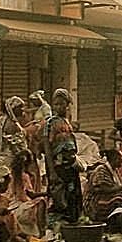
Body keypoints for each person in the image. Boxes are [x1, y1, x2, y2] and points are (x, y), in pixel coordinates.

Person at [43, 88, 82, 223]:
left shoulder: (67, 122)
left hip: (70, 165)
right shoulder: (50, 123)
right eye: (56, 104)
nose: (59, 107)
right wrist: (52, 171)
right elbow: (47, 148)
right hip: (58, 166)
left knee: (72, 194)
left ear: (67, 104)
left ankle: (73, 223)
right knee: (59, 197)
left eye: (61, 104)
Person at [83, 149, 122, 224]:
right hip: (94, 202)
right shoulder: (101, 170)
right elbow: (102, 189)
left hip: (106, 197)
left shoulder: (115, 171)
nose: (121, 161)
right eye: (119, 159)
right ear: (113, 159)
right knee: (120, 198)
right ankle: (111, 222)